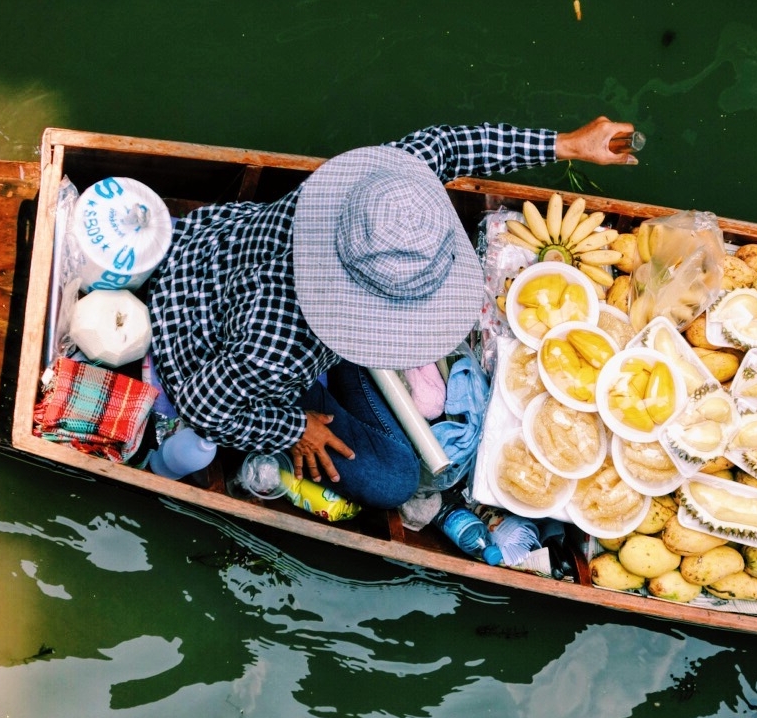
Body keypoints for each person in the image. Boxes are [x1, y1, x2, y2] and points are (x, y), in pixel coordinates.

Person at [144, 117, 639, 508]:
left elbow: (452, 143)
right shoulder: (282, 348)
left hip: (213, 243)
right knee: (396, 479)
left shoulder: (379, 192)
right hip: (201, 339)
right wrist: (295, 429)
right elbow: (204, 406)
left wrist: (570, 145)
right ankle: (308, 416)